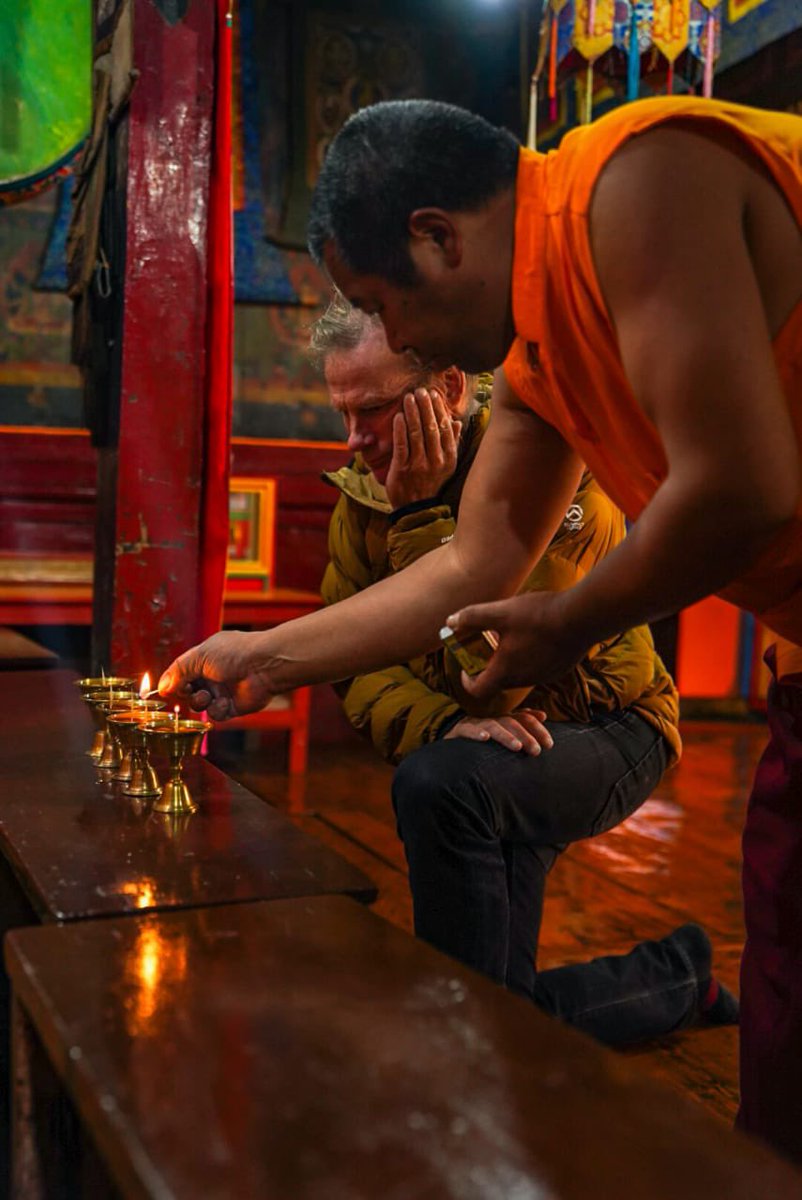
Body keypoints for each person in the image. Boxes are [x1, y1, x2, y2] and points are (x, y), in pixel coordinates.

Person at [160, 96, 802, 1160]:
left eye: (383, 304)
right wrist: (259, 656)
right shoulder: (541, 364)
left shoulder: (637, 182)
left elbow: (742, 489)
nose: (399, 339)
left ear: (436, 236)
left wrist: (563, 625)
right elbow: (469, 566)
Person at [313, 296, 735, 1047]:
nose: (355, 439)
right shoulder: (362, 496)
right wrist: (447, 722)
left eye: (372, 409)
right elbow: (358, 671)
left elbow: (502, 675)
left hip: (608, 726)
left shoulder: (543, 463)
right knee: (493, 1017)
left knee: (442, 786)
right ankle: (677, 977)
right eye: (342, 412)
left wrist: (419, 518)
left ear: (446, 391)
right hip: (480, 745)